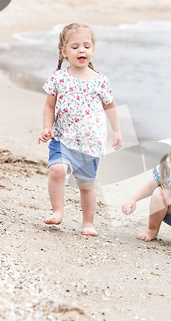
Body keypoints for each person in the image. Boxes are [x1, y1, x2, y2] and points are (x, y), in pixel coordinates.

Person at [37, 23, 122, 236]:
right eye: (75, 47)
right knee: (57, 170)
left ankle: (88, 223)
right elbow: (49, 105)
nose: (81, 50)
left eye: (86, 46)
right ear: (64, 52)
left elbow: (110, 106)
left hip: (90, 144)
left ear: (93, 50)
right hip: (63, 138)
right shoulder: (59, 78)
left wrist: (117, 131)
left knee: (86, 186)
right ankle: (58, 211)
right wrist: (47, 126)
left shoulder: (100, 81)